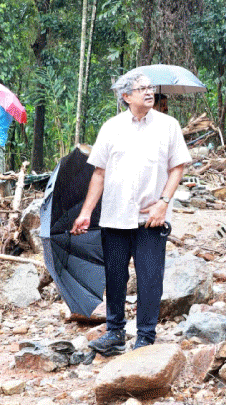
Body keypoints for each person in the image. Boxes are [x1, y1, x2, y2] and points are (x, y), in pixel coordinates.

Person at [70, 71, 191, 355]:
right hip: (115, 215)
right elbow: (99, 173)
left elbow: (178, 167)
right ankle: (114, 333)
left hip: (151, 218)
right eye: (141, 88)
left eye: (150, 87)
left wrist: (164, 201)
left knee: (150, 278)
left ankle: (146, 338)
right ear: (126, 96)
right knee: (115, 276)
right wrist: (86, 212)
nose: (149, 92)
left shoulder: (168, 126)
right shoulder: (111, 128)